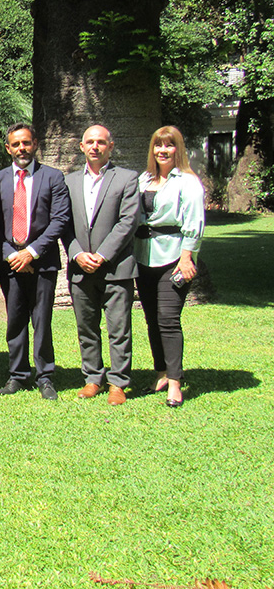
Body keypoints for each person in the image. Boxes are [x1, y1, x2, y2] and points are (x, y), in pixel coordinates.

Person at [0, 124, 71, 400]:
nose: (21, 148)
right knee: (15, 321)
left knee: (42, 321)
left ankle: (45, 376)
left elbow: (60, 219)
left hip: (42, 262)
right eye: (16, 144)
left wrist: (31, 252)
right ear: (8, 148)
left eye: (26, 142)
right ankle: (18, 375)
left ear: (35, 143)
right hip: (10, 263)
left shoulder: (53, 177)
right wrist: (13, 254)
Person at [64, 124, 141, 406]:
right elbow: (64, 225)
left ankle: (118, 383)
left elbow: (128, 221)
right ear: (81, 147)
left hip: (116, 268)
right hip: (80, 268)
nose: (95, 146)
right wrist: (77, 254)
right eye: (90, 142)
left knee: (118, 328)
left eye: (101, 142)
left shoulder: (127, 179)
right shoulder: (69, 182)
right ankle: (93, 378)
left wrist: (103, 254)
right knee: (87, 328)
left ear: (111, 146)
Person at [134, 126, 205, 408]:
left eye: (169, 145)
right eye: (158, 146)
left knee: (168, 319)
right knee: (152, 319)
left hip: (174, 258)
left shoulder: (187, 182)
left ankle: (175, 383)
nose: (162, 151)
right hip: (143, 256)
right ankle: (161, 372)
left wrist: (187, 257)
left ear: (179, 149)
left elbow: (194, 223)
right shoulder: (144, 179)